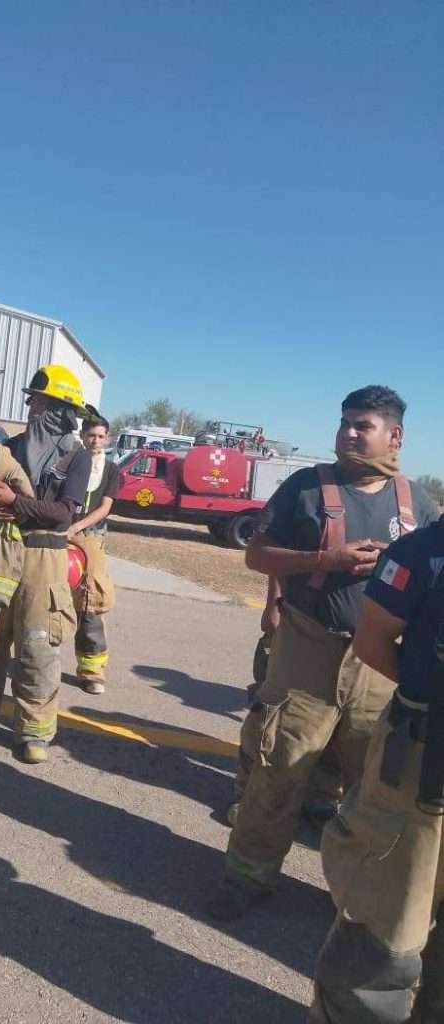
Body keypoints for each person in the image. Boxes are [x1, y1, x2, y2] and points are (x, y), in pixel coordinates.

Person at [207, 385, 438, 921]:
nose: (348, 433)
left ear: (395, 436)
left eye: (362, 425)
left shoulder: (418, 504)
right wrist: (325, 559)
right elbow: (257, 555)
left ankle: (359, 901)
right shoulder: (305, 488)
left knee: (375, 783)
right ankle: (248, 876)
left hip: (380, 662)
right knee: (278, 765)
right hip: (307, 647)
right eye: (344, 422)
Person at [310, 521, 444, 1023]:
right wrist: (427, 697)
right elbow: (372, 643)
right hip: (422, 756)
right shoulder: (421, 553)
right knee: (389, 916)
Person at [0, 363, 91, 764]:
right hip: (3, 552)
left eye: (36, 400)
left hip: (45, 559)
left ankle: (33, 733)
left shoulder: (77, 457)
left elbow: (63, 513)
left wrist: (16, 503)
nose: (30, 407)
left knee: (37, 647)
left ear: (58, 408)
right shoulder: (13, 446)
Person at [229, 575, 343, 827]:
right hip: (299, 623)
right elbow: (280, 555)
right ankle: (251, 795)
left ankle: (322, 796)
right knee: (272, 717)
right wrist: (274, 602)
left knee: (339, 723)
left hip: (355, 634)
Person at [67, 414, 119, 695]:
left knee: (91, 601)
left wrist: (77, 527)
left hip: (91, 538)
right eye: (91, 435)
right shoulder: (68, 461)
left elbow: (105, 507)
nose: (95, 441)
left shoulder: (110, 470)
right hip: (61, 534)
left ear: (106, 439)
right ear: (82, 436)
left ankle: (92, 671)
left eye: (100, 436)